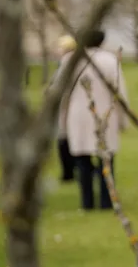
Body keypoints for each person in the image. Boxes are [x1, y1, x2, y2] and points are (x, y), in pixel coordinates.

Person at [61, 29, 128, 211]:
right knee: (106, 160)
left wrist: (62, 119)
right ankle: (107, 201)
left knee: (83, 162)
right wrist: (123, 120)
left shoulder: (70, 61)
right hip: (105, 115)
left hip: (78, 116)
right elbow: (119, 92)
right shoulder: (109, 60)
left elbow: (61, 92)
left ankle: (87, 202)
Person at [51, 34, 78, 182]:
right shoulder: (70, 62)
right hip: (69, 105)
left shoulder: (67, 63)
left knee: (64, 140)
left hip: (66, 106)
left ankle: (68, 173)